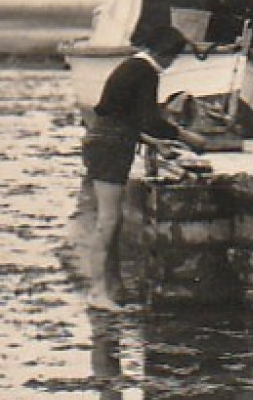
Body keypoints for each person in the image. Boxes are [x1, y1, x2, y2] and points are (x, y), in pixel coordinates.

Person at [81, 24, 196, 311]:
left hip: (103, 140)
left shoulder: (130, 67)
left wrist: (154, 144)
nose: (171, 64)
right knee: (108, 221)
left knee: (111, 220)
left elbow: (115, 114)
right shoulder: (146, 72)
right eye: (173, 57)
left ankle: (107, 288)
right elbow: (148, 120)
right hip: (111, 146)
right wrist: (185, 136)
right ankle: (97, 292)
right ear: (164, 53)